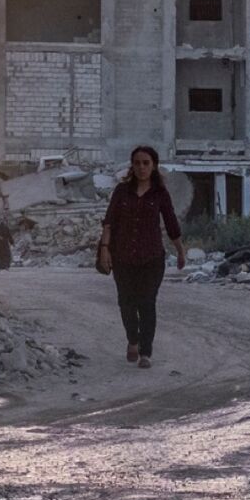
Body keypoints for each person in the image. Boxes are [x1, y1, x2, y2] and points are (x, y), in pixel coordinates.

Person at [98, 146, 184, 369]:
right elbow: (109, 221)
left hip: (152, 258)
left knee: (146, 303)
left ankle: (146, 352)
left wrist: (181, 251)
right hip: (123, 256)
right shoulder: (121, 191)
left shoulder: (160, 194)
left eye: (146, 163)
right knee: (126, 302)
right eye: (137, 163)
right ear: (132, 166)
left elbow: (171, 223)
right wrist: (105, 249)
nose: (141, 167)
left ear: (153, 165)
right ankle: (133, 340)